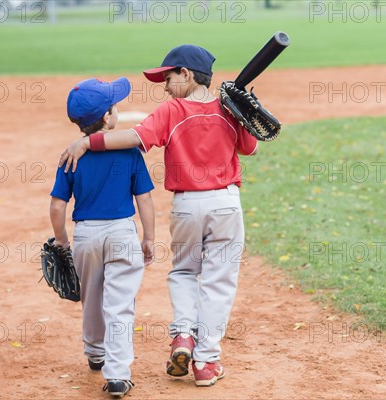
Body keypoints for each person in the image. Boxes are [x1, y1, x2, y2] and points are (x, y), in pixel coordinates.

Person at [59, 45, 258, 387]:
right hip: (225, 203)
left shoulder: (172, 110)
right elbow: (249, 147)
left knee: (183, 271)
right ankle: (206, 361)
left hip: (186, 206)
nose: (165, 86)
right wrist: (244, 115)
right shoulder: (228, 107)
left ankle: (182, 334)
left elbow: (136, 137)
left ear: (186, 74)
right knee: (218, 281)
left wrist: (87, 143)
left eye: (168, 77)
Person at [50, 77, 155, 398]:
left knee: (90, 295)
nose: (117, 110)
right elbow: (145, 199)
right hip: (122, 231)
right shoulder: (129, 152)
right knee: (120, 303)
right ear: (108, 118)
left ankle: (95, 351)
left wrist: (62, 241)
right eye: (114, 107)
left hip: (86, 234)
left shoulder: (71, 156)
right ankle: (118, 374)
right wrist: (149, 237)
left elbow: (57, 205)